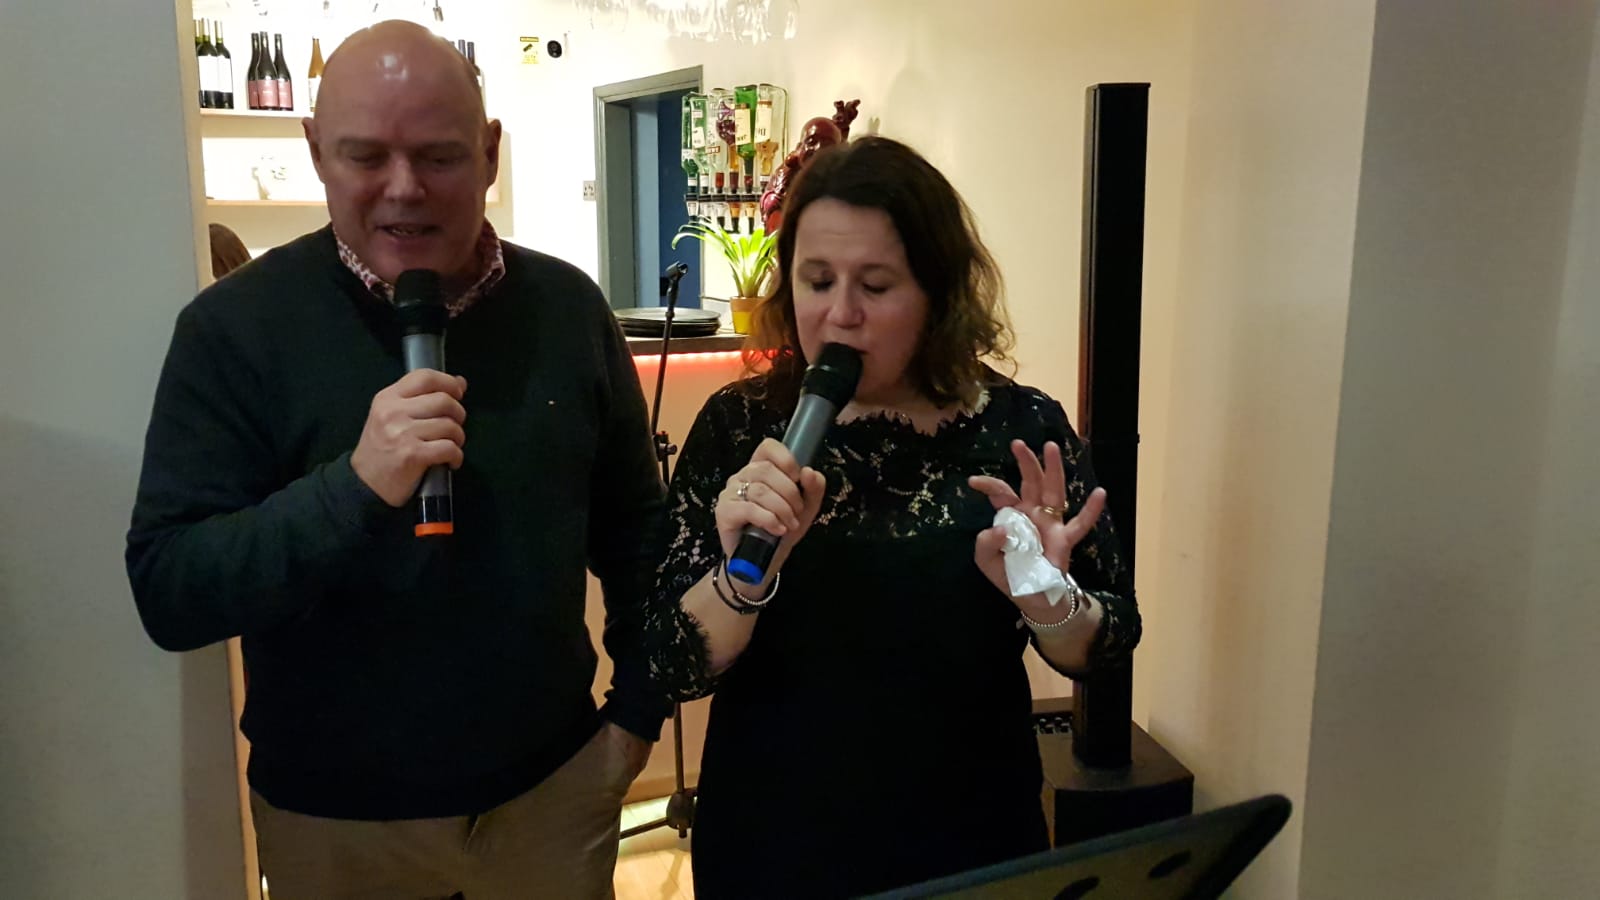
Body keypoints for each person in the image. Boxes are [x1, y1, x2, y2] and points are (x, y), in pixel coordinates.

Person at [127, 21, 666, 899]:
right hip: (334, 831)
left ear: (490, 154)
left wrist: (634, 723)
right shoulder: (234, 330)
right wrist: (352, 488)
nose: (404, 189)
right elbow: (170, 588)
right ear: (315, 152)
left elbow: (640, 538)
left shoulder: (568, 309)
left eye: (440, 156)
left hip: (552, 804)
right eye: (366, 155)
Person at [642, 136, 1142, 898]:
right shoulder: (740, 427)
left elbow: (1103, 647)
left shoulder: (1020, 427)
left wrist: (1047, 596)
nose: (840, 315)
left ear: (938, 294)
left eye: (875, 286)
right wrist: (741, 579)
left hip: (971, 844)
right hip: (774, 845)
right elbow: (672, 663)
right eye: (816, 281)